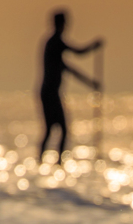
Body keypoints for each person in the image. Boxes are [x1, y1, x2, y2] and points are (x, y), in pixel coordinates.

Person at [39, 10, 102, 163]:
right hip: (49, 94)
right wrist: (94, 46)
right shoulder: (55, 43)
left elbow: (70, 69)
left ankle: (53, 162)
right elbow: (78, 52)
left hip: (51, 93)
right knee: (57, 130)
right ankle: (49, 162)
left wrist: (90, 83)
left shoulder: (55, 49)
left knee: (56, 130)